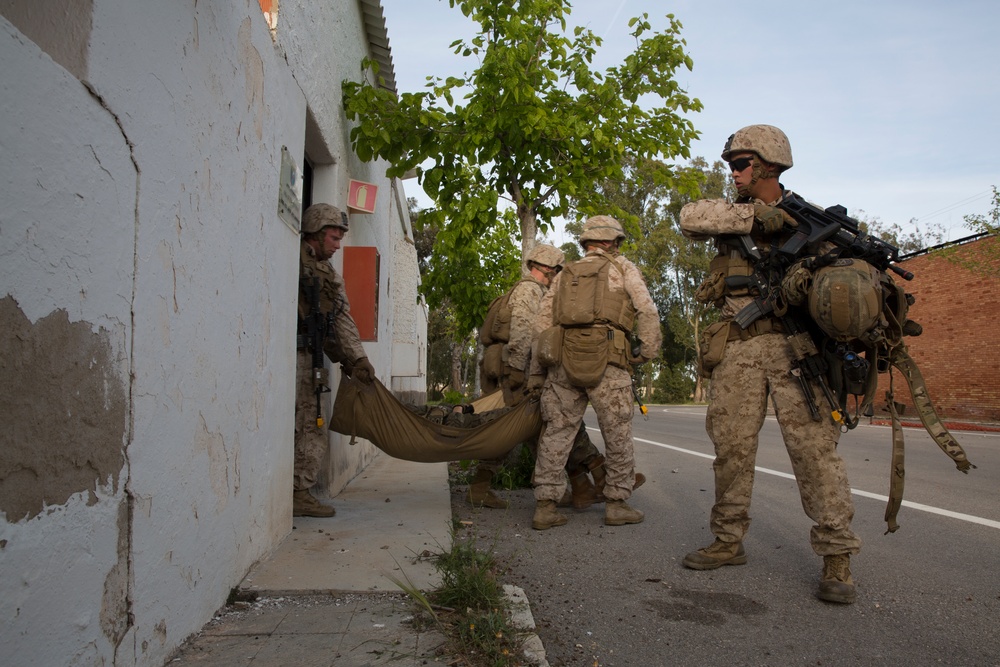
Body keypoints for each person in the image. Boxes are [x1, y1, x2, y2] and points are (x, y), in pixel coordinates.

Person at [678, 124, 860, 604]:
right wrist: (757, 218)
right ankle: (727, 540)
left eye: (740, 164)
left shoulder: (813, 223)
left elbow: (839, 288)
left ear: (768, 165)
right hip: (737, 347)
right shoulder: (729, 214)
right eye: (731, 165)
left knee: (815, 454)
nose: (733, 173)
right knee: (731, 449)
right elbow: (689, 216)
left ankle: (836, 557)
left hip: (794, 350)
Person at [529, 217, 661, 529]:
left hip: (563, 363)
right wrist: (648, 350)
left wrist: (537, 371)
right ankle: (616, 504)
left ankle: (545, 508)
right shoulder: (623, 268)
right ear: (614, 242)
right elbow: (647, 309)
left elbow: (540, 325)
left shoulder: (566, 274)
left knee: (557, 432)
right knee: (617, 433)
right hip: (609, 361)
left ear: (586, 243)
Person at [470, 243, 611, 510]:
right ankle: (588, 479)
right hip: (517, 372)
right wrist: (517, 371)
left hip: (514, 369)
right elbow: (523, 330)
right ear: (547, 269)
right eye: (557, 271)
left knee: (540, 430)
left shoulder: (529, 290)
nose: (558, 276)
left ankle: (581, 486)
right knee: (513, 430)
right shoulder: (529, 291)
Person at [295, 203, 376, 517]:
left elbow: (342, 317)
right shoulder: (293, 257)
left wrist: (357, 358)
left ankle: (298, 490)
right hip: (293, 353)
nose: (338, 244)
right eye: (334, 237)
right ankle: (297, 492)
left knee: (311, 422)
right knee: (307, 424)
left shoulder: (329, 274)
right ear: (316, 233)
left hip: (311, 356)